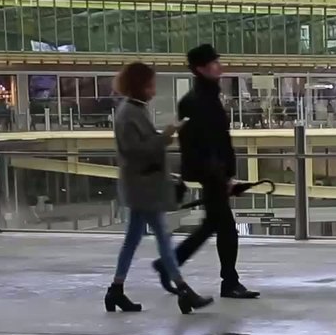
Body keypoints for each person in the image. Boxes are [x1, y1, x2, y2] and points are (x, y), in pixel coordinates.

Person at [153, 44, 259, 299]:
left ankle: (171, 263)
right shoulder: (198, 101)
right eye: (214, 62)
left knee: (214, 225)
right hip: (211, 173)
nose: (219, 66)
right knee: (225, 228)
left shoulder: (206, 97)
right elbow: (203, 143)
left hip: (214, 172)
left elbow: (216, 140)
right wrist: (222, 175)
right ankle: (228, 282)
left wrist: (226, 173)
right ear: (201, 69)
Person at [105, 63, 213, 314]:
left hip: (141, 186)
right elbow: (135, 150)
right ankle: (183, 290)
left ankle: (116, 289)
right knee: (162, 237)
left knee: (134, 239)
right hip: (143, 188)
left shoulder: (133, 111)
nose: (154, 91)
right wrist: (165, 137)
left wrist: (163, 137)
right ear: (139, 86)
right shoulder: (129, 114)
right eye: (150, 86)